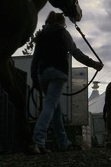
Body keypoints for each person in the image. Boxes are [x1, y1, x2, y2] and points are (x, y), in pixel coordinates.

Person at [31, 11, 103, 153]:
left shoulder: (42, 35)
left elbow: (35, 58)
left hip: (43, 74)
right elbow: (75, 52)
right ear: (61, 22)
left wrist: (34, 78)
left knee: (55, 110)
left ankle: (63, 143)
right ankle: (37, 141)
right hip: (58, 73)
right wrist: (94, 64)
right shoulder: (63, 33)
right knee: (50, 106)